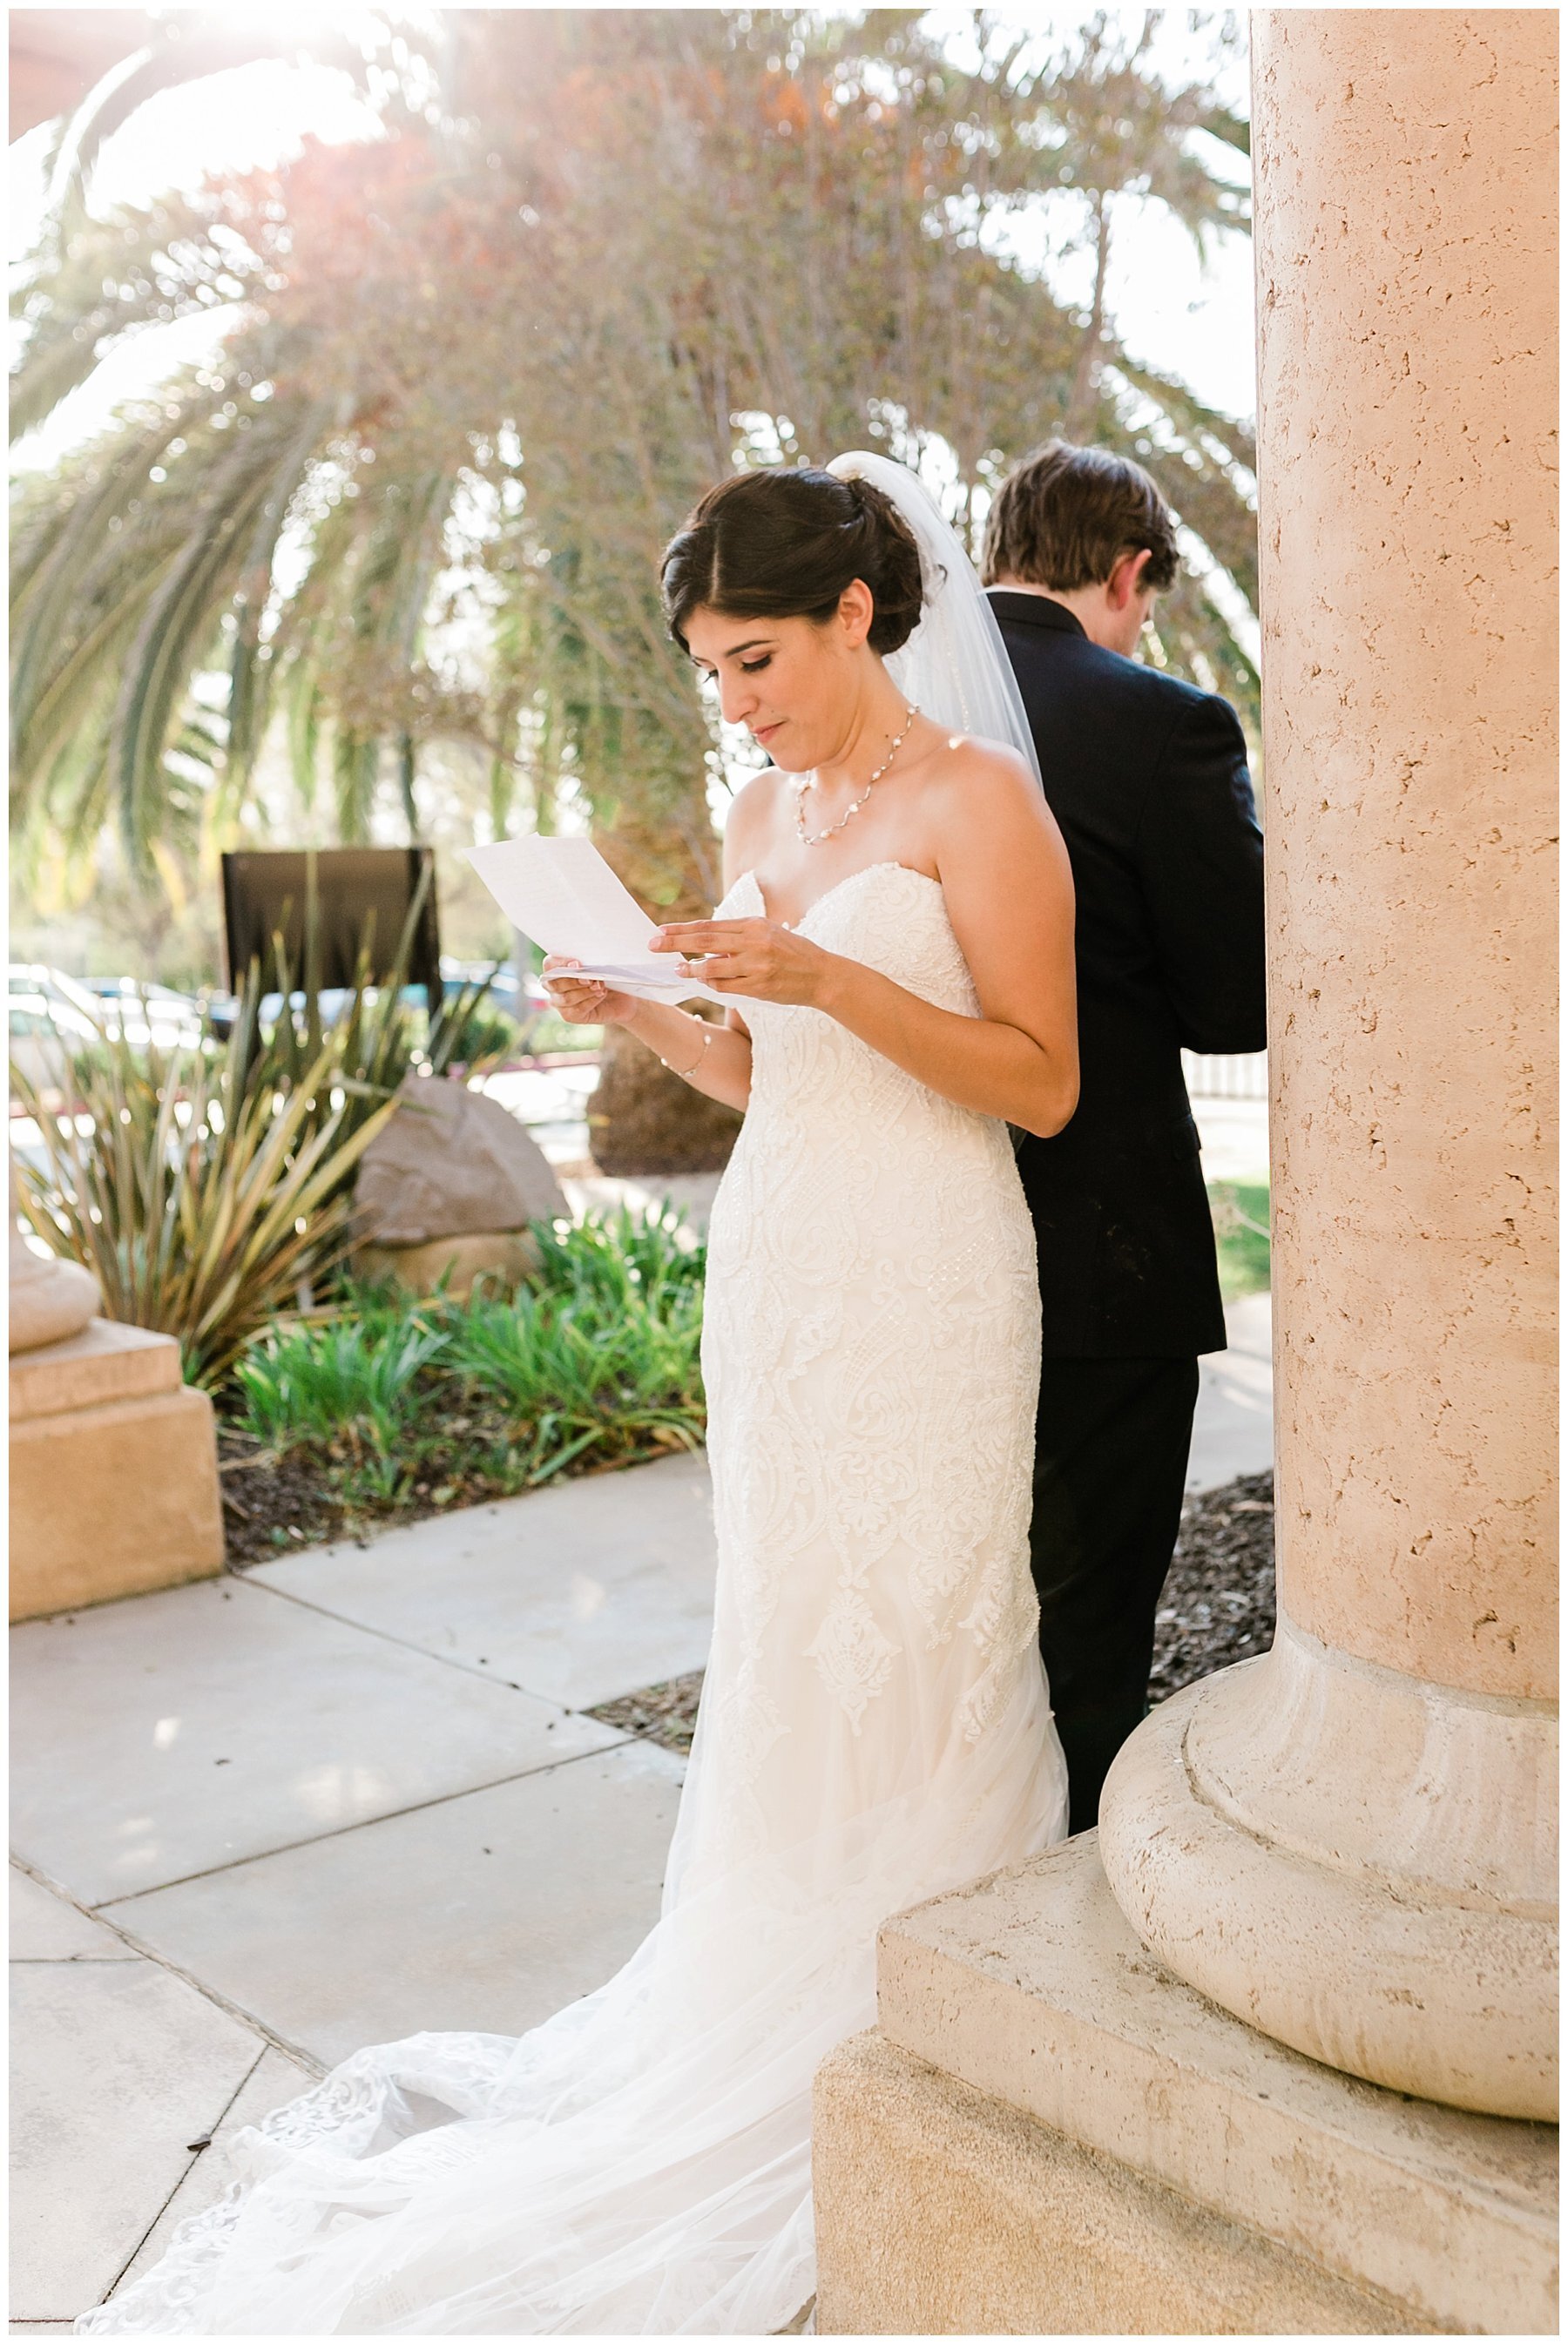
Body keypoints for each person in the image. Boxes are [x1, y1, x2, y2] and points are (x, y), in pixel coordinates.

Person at [79, 455, 1076, 2337]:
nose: (737, 699)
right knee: (791, 1617)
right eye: (712, 667)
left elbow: (1040, 1082)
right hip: (784, 1263)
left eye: (757, 655)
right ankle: (771, 1959)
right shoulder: (760, 803)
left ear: (861, 612)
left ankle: (933, 1986)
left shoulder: (979, 802)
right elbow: (771, 1074)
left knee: (928, 1606)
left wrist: (815, 979)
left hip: (937, 1270)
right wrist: (660, 1020)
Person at [983, 439, 1267, 1836]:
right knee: (1090, 1617)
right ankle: (1076, 1888)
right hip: (1100, 1237)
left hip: (912, 1230)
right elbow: (1237, 1002)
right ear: (1129, 571)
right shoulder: (1158, 723)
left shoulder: (875, 717)